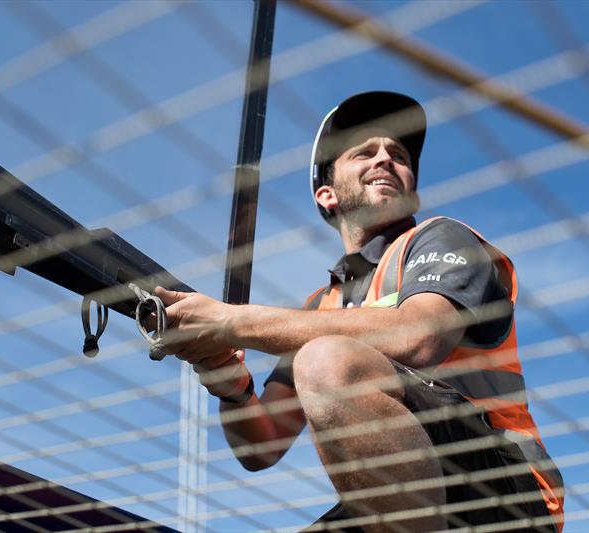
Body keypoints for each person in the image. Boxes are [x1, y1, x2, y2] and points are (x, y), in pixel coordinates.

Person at [153, 92, 564, 532]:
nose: (386, 159)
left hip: (507, 489)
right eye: (365, 152)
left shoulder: (441, 239)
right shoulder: (321, 307)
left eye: (398, 155)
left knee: (328, 359)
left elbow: (418, 336)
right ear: (327, 195)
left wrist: (232, 322)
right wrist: (229, 384)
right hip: (417, 497)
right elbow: (261, 446)